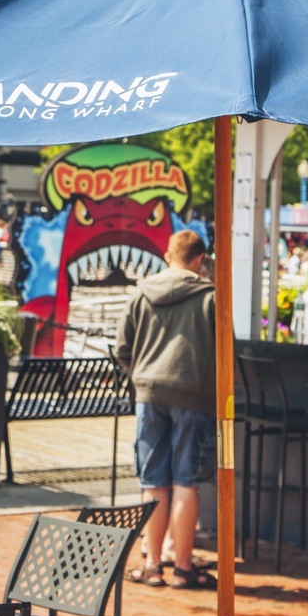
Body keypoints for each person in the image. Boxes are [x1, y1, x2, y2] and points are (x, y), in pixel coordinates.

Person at [115, 230, 216, 590]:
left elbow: (122, 349)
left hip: (150, 393)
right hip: (194, 396)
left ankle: (153, 564)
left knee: (153, 481)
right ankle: (183, 567)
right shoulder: (211, 297)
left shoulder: (142, 292)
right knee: (187, 481)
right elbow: (226, 354)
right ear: (200, 260)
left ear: (166, 255)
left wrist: (144, 375)